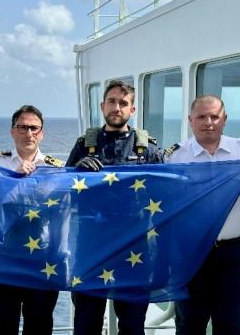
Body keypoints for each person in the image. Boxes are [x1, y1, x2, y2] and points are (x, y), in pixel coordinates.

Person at [165, 95, 240, 334]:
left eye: (214, 116)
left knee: (232, 323)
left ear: (224, 119)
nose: (209, 122)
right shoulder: (175, 157)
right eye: (202, 117)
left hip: (235, 254)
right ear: (190, 120)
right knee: (189, 323)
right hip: (191, 252)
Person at [66, 80, 162, 335]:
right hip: (91, 247)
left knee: (132, 325)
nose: (116, 107)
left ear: (132, 109)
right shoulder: (83, 146)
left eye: (123, 103)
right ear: (102, 105)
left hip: (134, 249)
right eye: (112, 101)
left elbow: (165, 196)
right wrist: (77, 171)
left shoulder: (148, 149)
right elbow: (66, 192)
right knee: (86, 323)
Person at [0, 105, 64, 335]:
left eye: (34, 128)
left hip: (42, 259)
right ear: (12, 132)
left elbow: (62, 214)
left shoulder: (55, 169)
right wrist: (15, 179)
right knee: (2, 325)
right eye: (22, 127)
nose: (28, 133)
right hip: (5, 255)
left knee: (39, 326)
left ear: (42, 133)